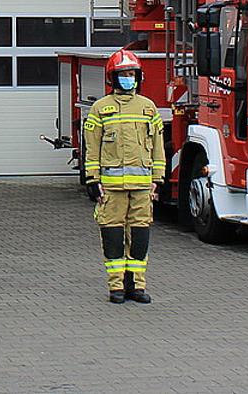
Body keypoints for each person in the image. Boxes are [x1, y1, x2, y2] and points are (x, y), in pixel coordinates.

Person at [82, 49, 167, 304]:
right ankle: (116, 287)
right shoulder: (100, 109)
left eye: (132, 74)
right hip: (111, 190)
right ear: (113, 78)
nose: (128, 78)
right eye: (123, 74)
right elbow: (91, 148)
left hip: (142, 189)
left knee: (140, 238)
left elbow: (159, 147)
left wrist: (158, 179)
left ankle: (137, 287)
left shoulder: (148, 108)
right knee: (113, 238)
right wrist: (92, 180)